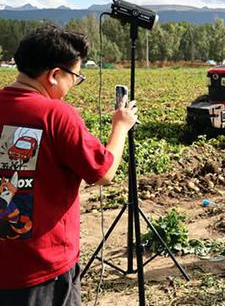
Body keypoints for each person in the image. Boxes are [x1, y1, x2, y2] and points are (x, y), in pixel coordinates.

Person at [0, 25, 138, 305]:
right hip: (41, 270)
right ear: (54, 75)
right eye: (75, 76)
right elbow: (103, 172)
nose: (74, 85)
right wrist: (121, 127)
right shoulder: (56, 115)